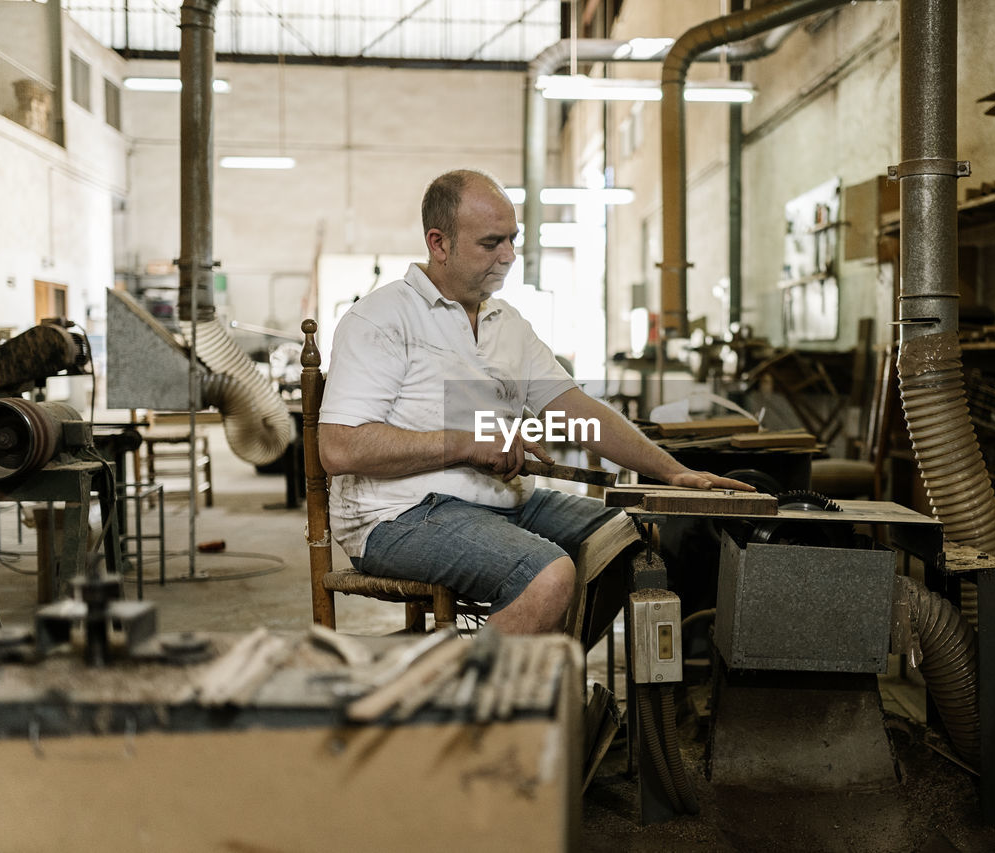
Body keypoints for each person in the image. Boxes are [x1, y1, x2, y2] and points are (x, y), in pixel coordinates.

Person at [318, 169, 753, 636]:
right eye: (491, 243)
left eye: (513, 239)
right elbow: (340, 448)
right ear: (439, 243)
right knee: (546, 575)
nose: (508, 256)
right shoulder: (381, 319)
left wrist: (671, 472)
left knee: (634, 541)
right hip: (399, 515)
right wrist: (468, 444)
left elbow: (575, 410)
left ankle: (540, 671)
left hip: (501, 501)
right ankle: (466, 699)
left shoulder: (507, 322)